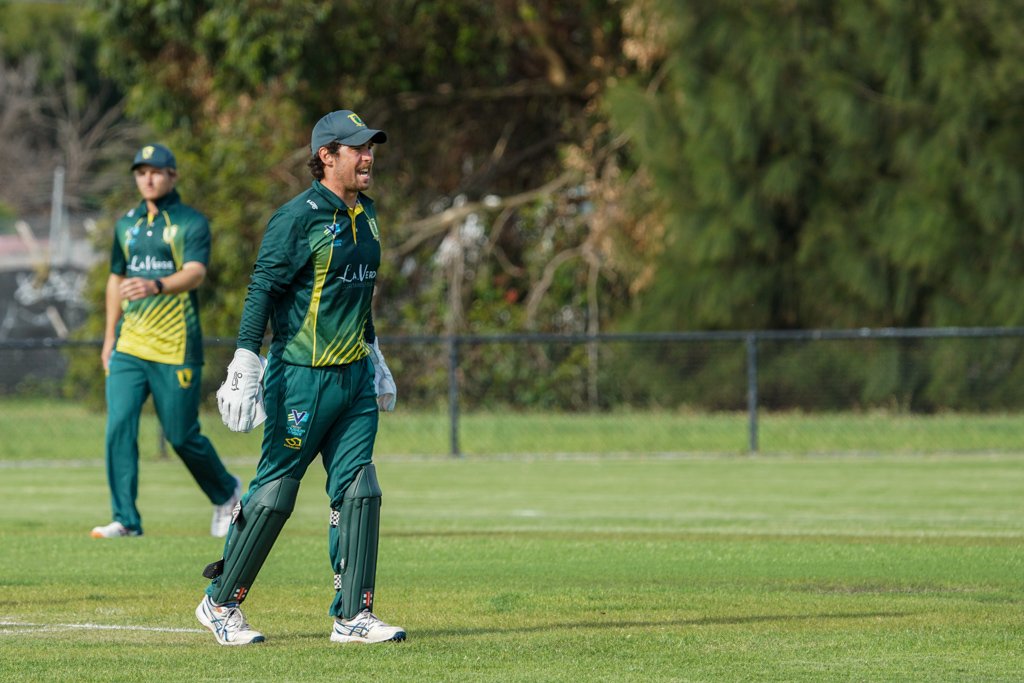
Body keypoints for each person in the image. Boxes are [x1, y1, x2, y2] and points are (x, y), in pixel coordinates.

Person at [195, 110, 405, 646]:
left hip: (353, 376)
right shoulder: (298, 217)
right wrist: (245, 360)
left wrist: (374, 352)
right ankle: (219, 604)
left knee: (361, 489)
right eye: (357, 148)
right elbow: (262, 287)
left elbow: (357, 292)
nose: (368, 156)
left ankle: (352, 616)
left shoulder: (369, 215)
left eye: (370, 147)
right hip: (301, 378)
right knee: (275, 494)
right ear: (326, 156)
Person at [91, 143, 241, 539]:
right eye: (141, 172)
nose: (148, 178)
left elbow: (195, 273)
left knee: (180, 435)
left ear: (172, 175)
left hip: (176, 346)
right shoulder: (127, 224)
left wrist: (156, 285)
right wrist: (109, 337)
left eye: (156, 171)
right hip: (129, 346)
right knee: (119, 426)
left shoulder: (190, 221)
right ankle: (126, 520)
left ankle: (226, 493)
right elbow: (115, 280)